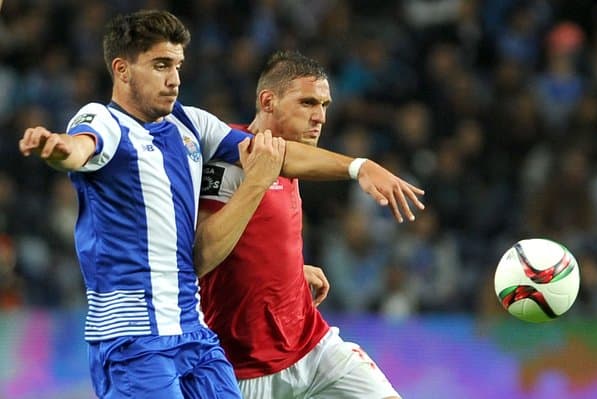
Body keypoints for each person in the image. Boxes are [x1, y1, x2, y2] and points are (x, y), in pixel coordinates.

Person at [17, 10, 423, 399]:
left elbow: (276, 156)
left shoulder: (191, 123)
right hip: (134, 335)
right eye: (161, 65)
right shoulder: (105, 120)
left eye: (177, 65)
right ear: (122, 70)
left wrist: (358, 166)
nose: (174, 78)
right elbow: (81, 147)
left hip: (193, 332)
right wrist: (58, 148)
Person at [198, 50, 408, 398]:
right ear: (268, 101)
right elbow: (202, 255)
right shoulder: (231, 161)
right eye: (308, 103)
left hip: (311, 344)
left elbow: (257, 239)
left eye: (324, 105)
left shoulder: (295, 161)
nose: (320, 117)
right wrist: (256, 182)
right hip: (243, 366)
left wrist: (289, 271)